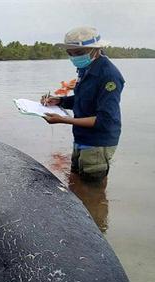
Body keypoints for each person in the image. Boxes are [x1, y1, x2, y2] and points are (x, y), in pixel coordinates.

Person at [41, 26, 125, 182]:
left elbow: (104, 119)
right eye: (70, 53)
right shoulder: (85, 68)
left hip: (98, 143)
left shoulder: (109, 76)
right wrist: (59, 101)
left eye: (78, 53)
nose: (73, 57)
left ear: (95, 50)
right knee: (77, 182)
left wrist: (63, 120)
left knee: (93, 191)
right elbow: (83, 99)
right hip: (82, 137)